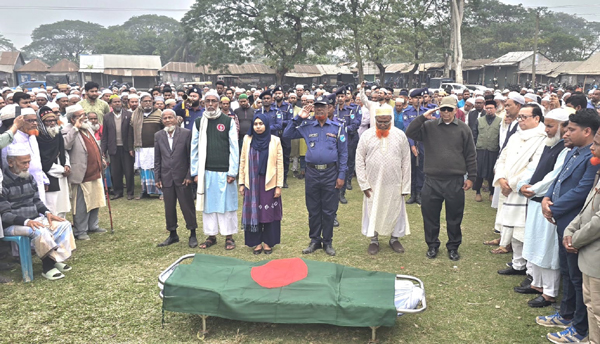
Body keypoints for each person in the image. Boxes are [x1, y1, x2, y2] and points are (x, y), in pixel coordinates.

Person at [539, 109, 600, 343]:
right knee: (566, 271)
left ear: (587, 132)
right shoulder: (574, 152)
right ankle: (566, 315)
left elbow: (581, 191)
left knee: (577, 277)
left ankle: (579, 326)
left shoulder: (591, 156)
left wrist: (553, 207)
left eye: (572, 129)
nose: (566, 132)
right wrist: (547, 198)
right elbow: (560, 180)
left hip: (575, 223)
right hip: (565, 220)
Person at [405, 96, 477, 261]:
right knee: (430, 216)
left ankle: (453, 246)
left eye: (449, 109)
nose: (446, 112)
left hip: (454, 180)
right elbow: (410, 132)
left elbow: (470, 154)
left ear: (455, 110)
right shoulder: (429, 126)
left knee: (454, 217)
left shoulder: (463, 129)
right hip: (432, 179)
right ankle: (432, 245)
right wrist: (423, 117)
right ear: (438, 109)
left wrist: (471, 177)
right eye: (443, 109)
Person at [513, 108, 570, 308]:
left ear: (564, 127)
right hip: (535, 201)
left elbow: (554, 176)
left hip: (548, 204)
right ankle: (537, 284)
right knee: (533, 243)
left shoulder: (566, 148)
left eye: (550, 126)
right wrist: (522, 184)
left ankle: (550, 293)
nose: (546, 129)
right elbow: (534, 168)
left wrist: (534, 189)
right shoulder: (548, 144)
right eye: (546, 125)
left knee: (547, 249)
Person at [283, 95, 347, 256]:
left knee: (329, 209)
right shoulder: (307, 125)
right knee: (313, 208)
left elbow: (344, 153)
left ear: (328, 109)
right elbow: (287, 134)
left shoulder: (337, 127)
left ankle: (328, 242)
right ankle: (314, 240)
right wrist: (298, 118)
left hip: (330, 172)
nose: (319, 109)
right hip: (312, 172)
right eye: (316, 107)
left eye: (322, 107)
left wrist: (341, 175)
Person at [0, 145, 75, 280]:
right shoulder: (2, 183)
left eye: (29, 162)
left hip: (33, 219)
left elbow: (36, 201)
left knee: (63, 225)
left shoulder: (29, 177)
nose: (27, 166)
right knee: (40, 231)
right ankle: (48, 268)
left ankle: (55, 260)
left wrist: (47, 213)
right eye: (24, 163)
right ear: (11, 162)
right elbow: (5, 215)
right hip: (13, 225)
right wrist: (26, 221)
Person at [493, 104, 546, 269]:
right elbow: (502, 158)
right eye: (520, 117)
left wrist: (513, 184)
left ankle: (527, 267)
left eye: (525, 117)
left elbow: (534, 166)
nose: (520, 120)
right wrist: (501, 179)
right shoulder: (516, 136)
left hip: (524, 190)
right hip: (507, 188)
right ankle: (517, 263)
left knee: (523, 231)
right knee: (511, 228)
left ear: (537, 118)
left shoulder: (543, 138)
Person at [355, 107, 411, 255]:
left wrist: (405, 186)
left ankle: (395, 239)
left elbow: (406, 162)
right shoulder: (366, 136)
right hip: (372, 183)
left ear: (391, 120)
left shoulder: (400, 135)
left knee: (396, 210)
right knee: (373, 210)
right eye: (380, 122)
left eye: (386, 122)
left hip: (395, 183)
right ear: (375, 120)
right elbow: (359, 160)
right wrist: (363, 184)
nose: (383, 125)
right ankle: (374, 240)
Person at [562, 128, 600, 344]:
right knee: (591, 305)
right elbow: (588, 208)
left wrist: (574, 239)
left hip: (596, 256)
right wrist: (570, 230)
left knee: (598, 310)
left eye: (596, 143)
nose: (592, 148)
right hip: (588, 255)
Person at [191, 90, 239, 251]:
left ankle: (229, 237)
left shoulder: (228, 121)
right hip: (206, 172)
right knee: (208, 205)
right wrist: (195, 172)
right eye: (207, 101)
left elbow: (234, 147)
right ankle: (211, 236)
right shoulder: (199, 122)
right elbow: (194, 149)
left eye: (214, 101)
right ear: (203, 103)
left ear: (219, 103)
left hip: (225, 171)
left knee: (227, 205)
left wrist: (233, 171)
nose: (210, 104)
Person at [239, 113, 283, 254]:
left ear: (266, 124)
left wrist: (278, 185)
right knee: (254, 212)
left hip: (269, 182)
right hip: (251, 182)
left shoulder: (275, 140)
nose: (258, 127)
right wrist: (241, 182)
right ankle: (256, 242)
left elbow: (279, 164)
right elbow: (243, 161)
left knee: (268, 213)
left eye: (261, 124)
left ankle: (268, 242)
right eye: (255, 124)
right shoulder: (247, 139)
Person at [63, 104, 107, 240]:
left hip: (95, 170)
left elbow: (95, 146)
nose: (85, 117)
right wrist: (75, 127)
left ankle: (93, 225)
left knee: (95, 200)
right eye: (81, 116)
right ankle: (80, 231)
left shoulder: (87, 128)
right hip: (81, 174)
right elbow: (66, 145)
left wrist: (102, 158)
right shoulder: (67, 130)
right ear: (72, 119)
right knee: (81, 204)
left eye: (84, 114)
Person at [154, 109, 197, 248]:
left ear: (176, 119)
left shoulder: (186, 134)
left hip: (183, 177)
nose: (167, 120)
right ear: (162, 121)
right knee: (169, 207)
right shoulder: (159, 135)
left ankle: (193, 233)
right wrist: (157, 177)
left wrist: (189, 175)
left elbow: (192, 156)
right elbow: (157, 158)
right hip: (166, 177)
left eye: (170, 117)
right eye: (165, 118)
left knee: (187, 206)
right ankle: (173, 234)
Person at [1, 107, 50, 202]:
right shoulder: (12, 137)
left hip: (37, 180)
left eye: (35, 120)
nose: (35, 123)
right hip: (20, 184)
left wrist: (43, 178)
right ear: (21, 122)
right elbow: (6, 163)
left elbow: (36, 161)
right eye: (30, 121)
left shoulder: (32, 136)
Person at [36, 107, 71, 218]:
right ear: (41, 122)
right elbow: (43, 160)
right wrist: (61, 170)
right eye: (48, 121)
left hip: (62, 172)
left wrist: (67, 165)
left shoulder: (57, 133)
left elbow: (63, 150)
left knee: (63, 204)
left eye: (53, 120)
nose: (51, 123)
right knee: (52, 205)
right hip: (50, 175)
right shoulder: (38, 137)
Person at [129, 93, 163, 199]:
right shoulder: (135, 114)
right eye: (145, 101)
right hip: (141, 148)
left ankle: (161, 192)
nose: (148, 103)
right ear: (141, 103)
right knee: (143, 170)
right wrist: (131, 147)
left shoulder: (159, 113)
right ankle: (145, 191)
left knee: (156, 169)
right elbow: (131, 132)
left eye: (150, 101)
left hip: (156, 147)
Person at [102, 95, 134, 200]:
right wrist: (103, 150)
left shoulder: (129, 115)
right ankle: (118, 192)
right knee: (115, 172)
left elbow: (132, 133)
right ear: (111, 104)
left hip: (126, 148)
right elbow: (105, 135)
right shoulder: (107, 117)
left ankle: (130, 192)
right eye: (115, 102)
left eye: (119, 102)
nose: (117, 104)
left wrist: (131, 148)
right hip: (113, 147)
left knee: (128, 171)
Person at [403, 88, 430, 205]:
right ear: (411, 99)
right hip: (410, 145)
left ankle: (420, 193)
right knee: (411, 169)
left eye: (420, 98)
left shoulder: (427, 112)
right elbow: (408, 130)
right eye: (415, 98)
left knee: (421, 170)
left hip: (423, 144)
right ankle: (412, 193)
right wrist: (413, 146)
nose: (418, 100)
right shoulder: (407, 113)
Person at [473, 100, 501, 202]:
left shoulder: (500, 121)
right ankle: (477, 192)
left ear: (495, 109)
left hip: (493, 150)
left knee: (491, 172)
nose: (489, 110)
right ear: (485, 108)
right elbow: (474, 135)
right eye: (487, 108)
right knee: (478, 171)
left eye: (491, 108)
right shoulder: (479, 120)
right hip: (480, 149)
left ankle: (492, 193)